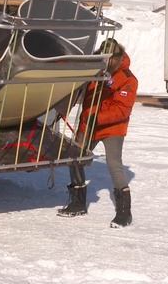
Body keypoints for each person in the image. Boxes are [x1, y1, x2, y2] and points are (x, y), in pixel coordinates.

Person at [57, 38, 138, 228]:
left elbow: (122, 110)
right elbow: (83, 93)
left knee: (114, 164)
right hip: (89, 125)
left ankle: (124, 213)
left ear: (118, 58)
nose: (107, 62)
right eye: (104, 58)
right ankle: (78, 203)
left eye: (110, 59)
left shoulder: (128, 79)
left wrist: (97, 119)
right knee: (74, 157)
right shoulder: (96, 70)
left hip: (112, 128)